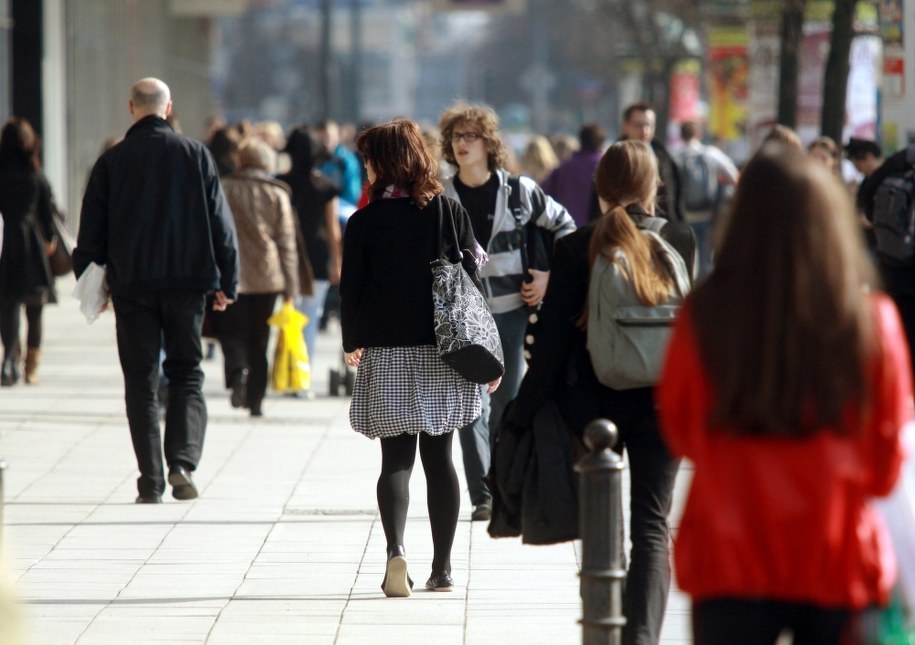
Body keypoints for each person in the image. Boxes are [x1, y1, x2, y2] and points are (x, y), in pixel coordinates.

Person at [657, 143, 911, 644]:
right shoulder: (872, 323)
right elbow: (886, 464)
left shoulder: (705, 315)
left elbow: (683, 430)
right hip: (835, 552)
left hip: (730, 552)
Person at [504, 140, 696, 644]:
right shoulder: (680, 238)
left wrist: (520, 414)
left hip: (592, 407)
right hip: (662, 403)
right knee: (652, 526)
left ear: (600, 186)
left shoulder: (576, 246)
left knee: (603, 530)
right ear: (653, 185)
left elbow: (550, 346)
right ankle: (641, 638)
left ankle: (602, 628)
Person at [340, 118, 499, 597]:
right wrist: (488, 353)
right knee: (440, 455)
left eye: (369, 159)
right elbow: (473, 283)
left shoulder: (364, 221)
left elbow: (352, 289)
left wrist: (352, 341)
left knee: (395, 458)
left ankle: (395, 552)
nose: (365, 167)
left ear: (383, 164)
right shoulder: (448, 213)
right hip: (443, 352)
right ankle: (444, 568)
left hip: (386, 350)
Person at [73, 78, 239, 504]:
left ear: (132, 107)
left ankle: (150, 480)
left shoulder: (112, 161)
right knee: (187, 372)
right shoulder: (196, 154)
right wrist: (226, 280)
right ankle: (181, 462)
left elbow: (90, 232)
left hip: (133, 285)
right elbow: (221, 223)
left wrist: (94, 280)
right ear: (168, 108)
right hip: (188, 283)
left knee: (141, 381)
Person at [438, 101, 576, 521]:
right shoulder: (443, 194)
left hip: (512, 312)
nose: (462, 144)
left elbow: (565, 224)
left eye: (470, 136)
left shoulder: (518, 191)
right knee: (469, 407)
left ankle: (502, 483)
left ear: (488, 142)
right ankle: (482, 494)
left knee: (507, 402)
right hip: (464, 316)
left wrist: (549, 274)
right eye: (456, 137)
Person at [213, 138, 299, 417]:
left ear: (241, 160)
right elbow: (287, 242)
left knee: (230, 333)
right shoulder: (277, 193)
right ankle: (257, 401)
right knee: (259, 340)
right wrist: (291, 286)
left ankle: (237, 371)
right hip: (267, 276)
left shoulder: (223, 187)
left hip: (230, 274)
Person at [277, 126, 341, 384]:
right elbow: (332, 228)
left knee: (287, 317)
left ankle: (285, 372)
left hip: (286, 256)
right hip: (316, 254)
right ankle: (303, 376)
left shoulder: (280, 182)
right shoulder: (325, 185)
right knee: (310, 318)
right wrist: (338, 260)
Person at [0, 117, 58, 387]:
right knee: (34, 307)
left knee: (8, 304)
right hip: (32, 246)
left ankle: (9, 359)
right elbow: (47, 213)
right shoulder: (35, 173)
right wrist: (49, 239)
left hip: (5, 243)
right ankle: (31, 368)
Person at [675, 119, 739, 276]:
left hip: (684, 215)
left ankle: (687, 290)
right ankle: (702, 292)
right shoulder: (711, 153)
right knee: (706, 259)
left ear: (681, 136)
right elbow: (733, 176)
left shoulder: (675, 155)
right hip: (708, 213)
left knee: (685, 257)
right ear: (699, 134)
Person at [618, 102, 684, 222]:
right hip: (625, 227)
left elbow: (673, 198)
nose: (644, 130)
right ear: (625, 126)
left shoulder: (664, 157)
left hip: (661, 226)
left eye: (648, 125)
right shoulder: (615, 158)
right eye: (638, 125)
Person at [542, 122, 607, 226]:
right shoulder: (606, 166)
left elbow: (545, 195)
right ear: (601, 142)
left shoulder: (563, 167)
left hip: (566, 230)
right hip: (596, 232)